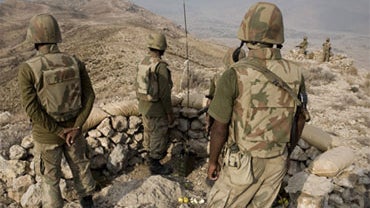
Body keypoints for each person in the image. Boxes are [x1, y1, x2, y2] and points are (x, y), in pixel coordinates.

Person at [206, 2, 308, 207]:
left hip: (243, 165)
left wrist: (213, 161)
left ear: (245, 33)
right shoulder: (296, 73)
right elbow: (300, 118)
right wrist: (287, 152)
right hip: (276, 162)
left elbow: (219, 127)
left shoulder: (234, 74)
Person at [18, 14, 96, 208]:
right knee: (81, 170)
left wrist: (57, 131)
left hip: (46, 136)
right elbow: (90, 96)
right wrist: (76, 126)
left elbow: (31, 108)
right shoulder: (74, 62)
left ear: (34, 38)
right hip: (74, 132)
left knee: (50, 180)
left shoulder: (28, 68)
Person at [136, 32, 174, 175]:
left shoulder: (142, 62)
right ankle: (155, 165)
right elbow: (165, 94)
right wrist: (169, 113)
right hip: (157, 109)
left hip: (144, 107)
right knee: (158, 134)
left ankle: (148, 158)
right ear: (163, 48)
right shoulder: (160, 66)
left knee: (148, 133)